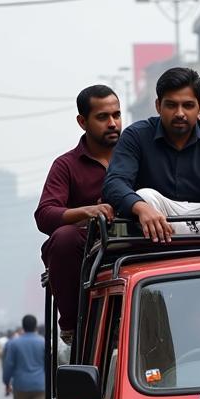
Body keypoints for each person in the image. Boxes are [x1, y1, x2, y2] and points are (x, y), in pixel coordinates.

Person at [103, 67, 200, 245]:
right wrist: (141, 208)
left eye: (188, 105)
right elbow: (114, 183)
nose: (179, 113)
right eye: (171, 105)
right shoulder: (137, 135)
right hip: (158, 218)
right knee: (145, 196)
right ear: (158, 106)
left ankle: (180, 239)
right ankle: (181, 238)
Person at [36, 85, 124, 341]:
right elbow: (44, 215)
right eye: (102, 117)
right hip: (89, 252)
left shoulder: (136, 154)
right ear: (82, 122)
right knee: (63, 238)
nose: (112, 123)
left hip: (136, 243)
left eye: (116, 115)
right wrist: (88, 211)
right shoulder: (66, 165)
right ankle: (74, 327)